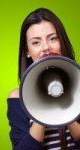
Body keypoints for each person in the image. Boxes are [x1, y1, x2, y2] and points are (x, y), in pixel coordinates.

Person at [7, 8, 80, 150]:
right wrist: (42, 110)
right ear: (27, 51)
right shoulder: (17, 98)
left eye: (53, 38)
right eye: (36, 42)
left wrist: (67, 109)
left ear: (62, 41)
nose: (46, 47)